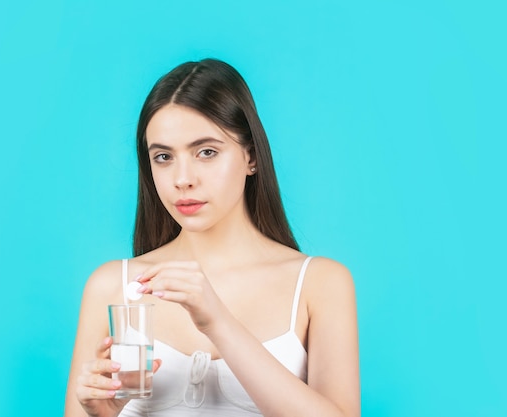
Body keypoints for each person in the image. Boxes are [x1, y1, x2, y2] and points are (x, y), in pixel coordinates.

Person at [64, 58, 360, 417]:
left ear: (251, 156)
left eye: (206, 152)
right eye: (163, 157)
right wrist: (102, 414)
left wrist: (217, 322)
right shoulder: (115, 285)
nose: (182, 179)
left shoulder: (319, 283)